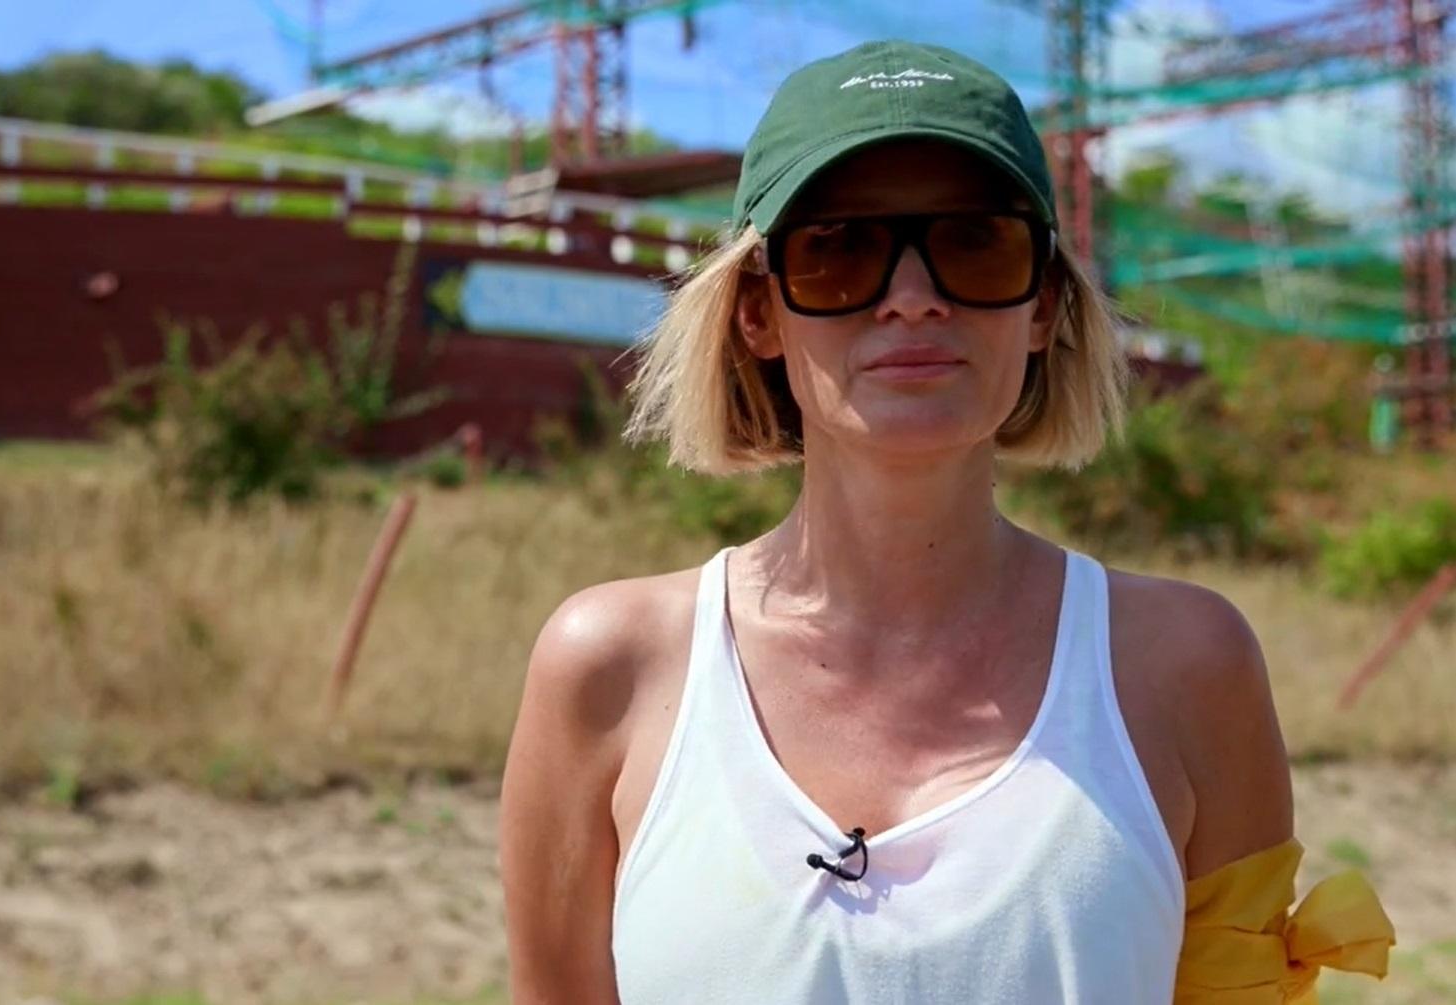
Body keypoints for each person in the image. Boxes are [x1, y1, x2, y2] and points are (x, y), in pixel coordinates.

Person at [499, 40, 1393, 1004]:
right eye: (839, 248)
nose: (912, 298)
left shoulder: (1187, 667)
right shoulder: (610, 671)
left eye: (974, 242)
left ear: (1044, 304)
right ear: (759, 313)